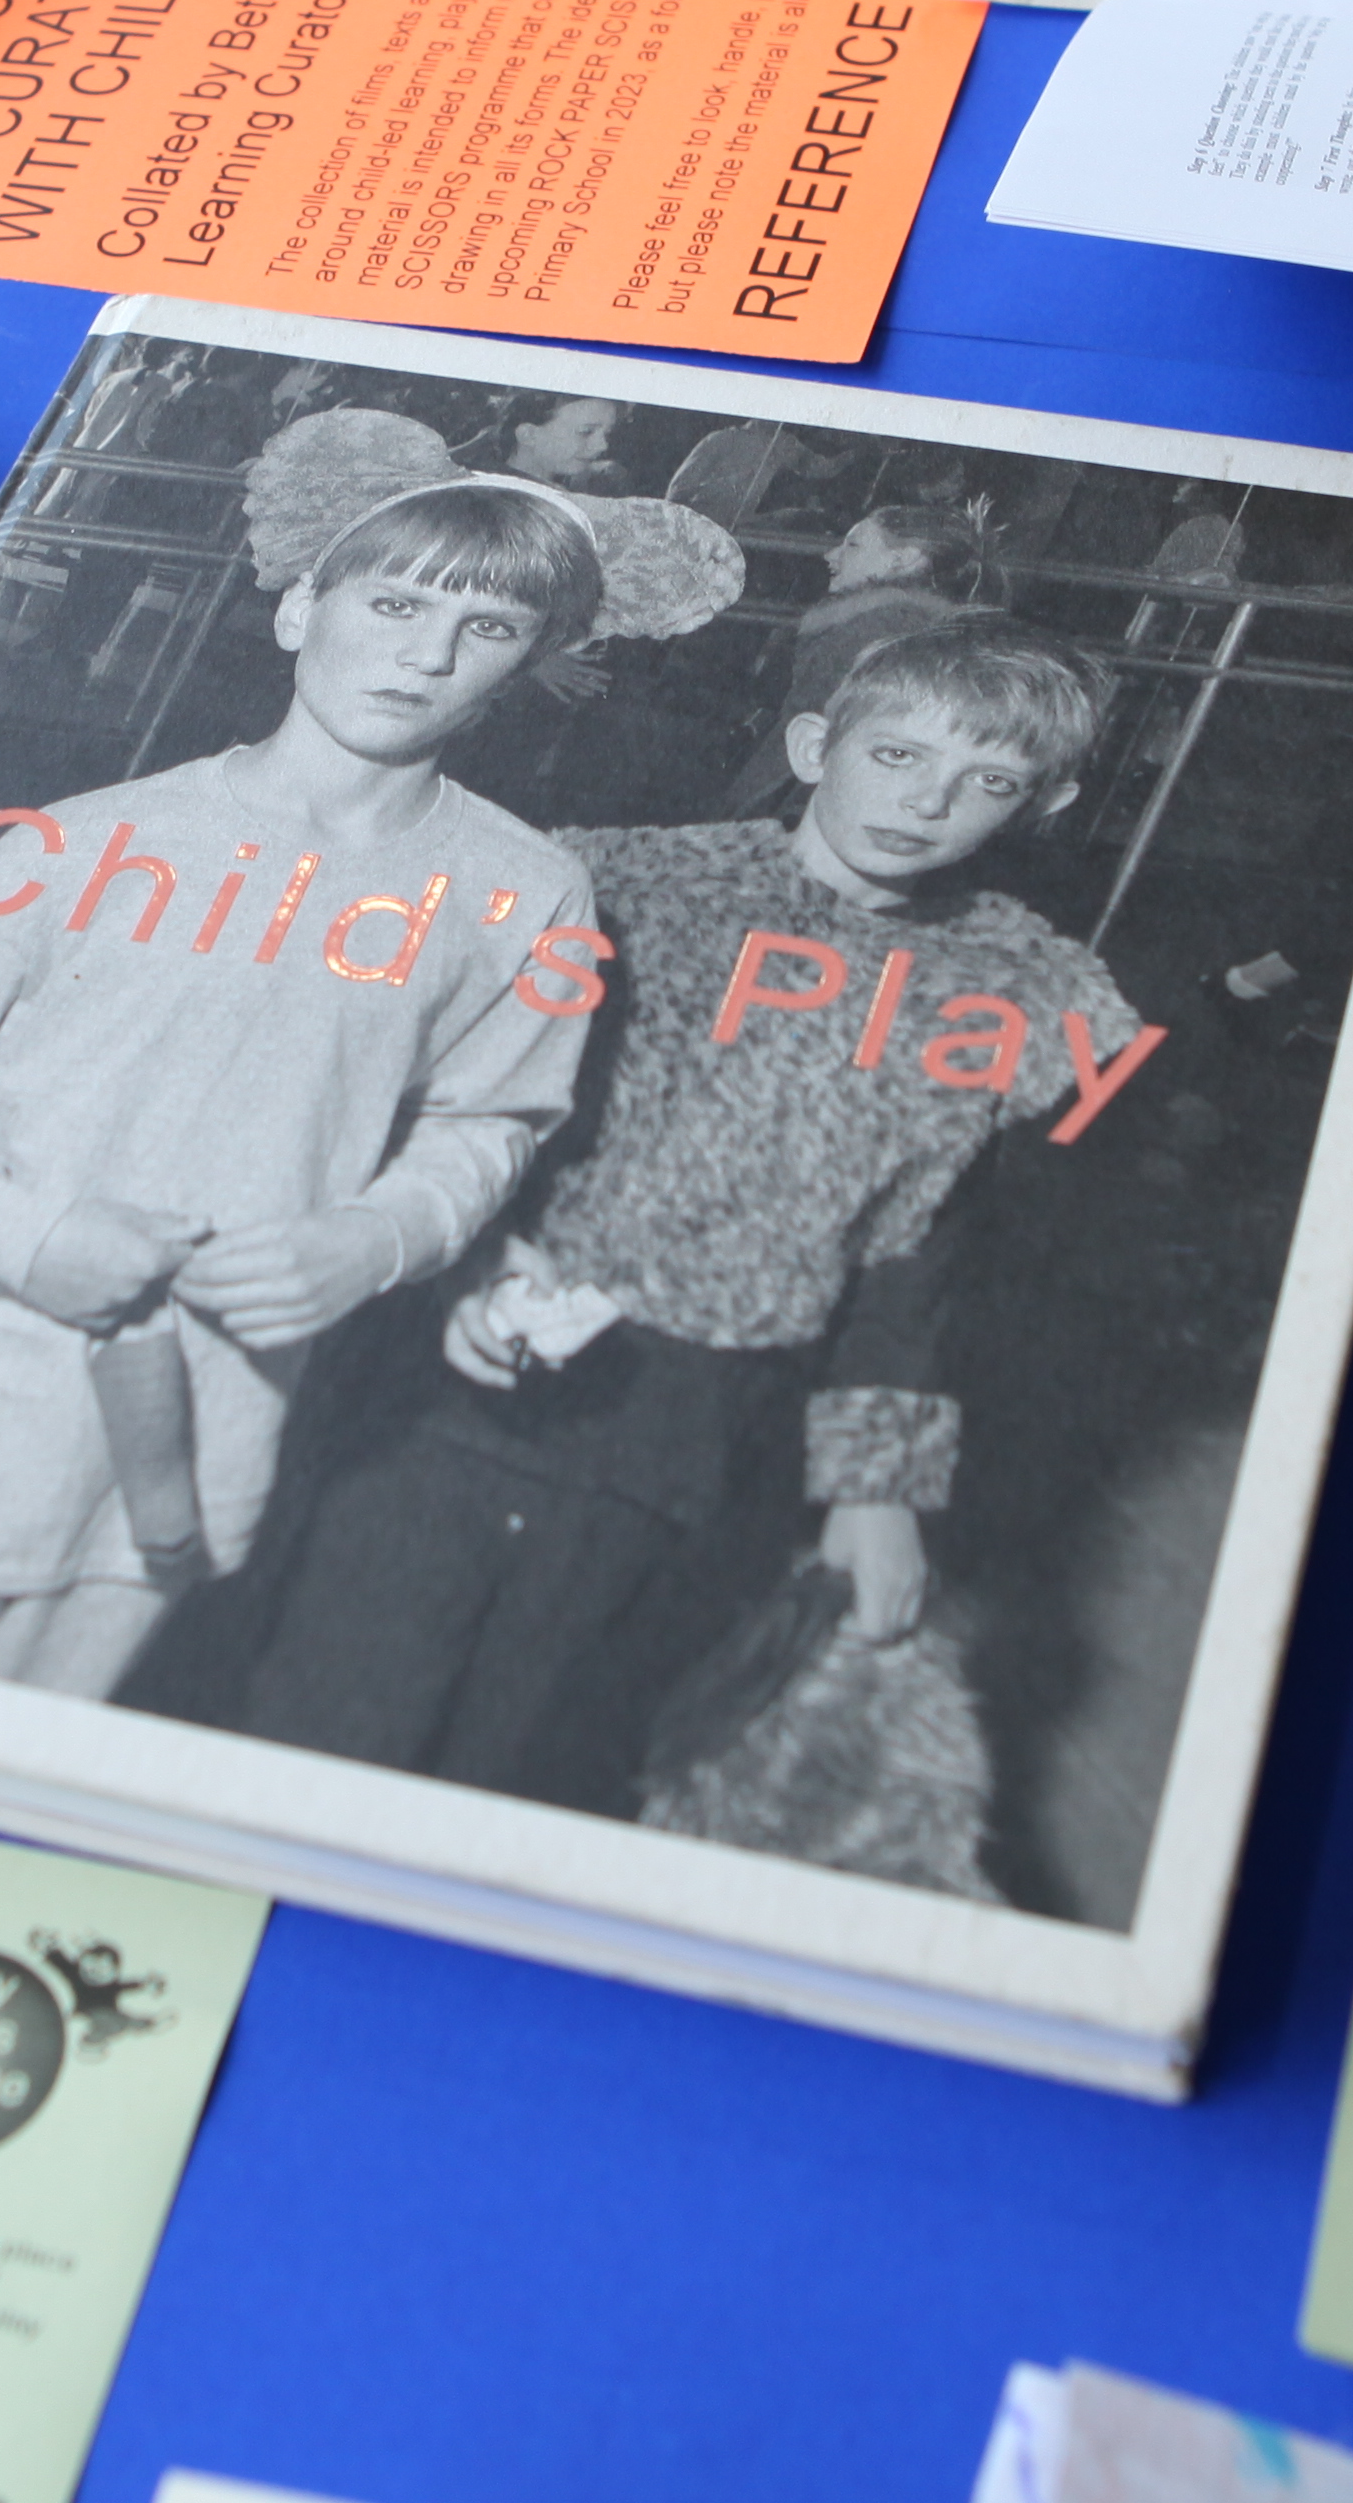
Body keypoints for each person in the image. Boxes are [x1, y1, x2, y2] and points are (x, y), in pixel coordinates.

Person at [237, 616, 1151, 1820]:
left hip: (694, 1425)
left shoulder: (1006, 992)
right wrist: (458, 1271)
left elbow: (915, 1251)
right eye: (897, 758)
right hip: (450, 1374)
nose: (928, 806)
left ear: (1041, 805)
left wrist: (876, 1490)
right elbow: (422, 1097)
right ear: (817, 743)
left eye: (986, 783)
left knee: (518, 1766)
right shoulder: (611, 884)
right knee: (322, 1726)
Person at [0, 451, 634, 1703]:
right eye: (395, 605)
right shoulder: (82, 838)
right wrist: (29, 1231)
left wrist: (377, 1240)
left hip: (211, 1419)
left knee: (17, 1784)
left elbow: (488, 1121)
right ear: (298, 611)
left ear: (521, 666)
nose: (429, 657)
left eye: (485, 627)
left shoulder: (532, 891)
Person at [711, 500, 992, 817]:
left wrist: (740, 813)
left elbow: (801, 740)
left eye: (853, 544)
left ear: (901, 560)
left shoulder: (875, 624)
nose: (830, 555)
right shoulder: (922, 625)